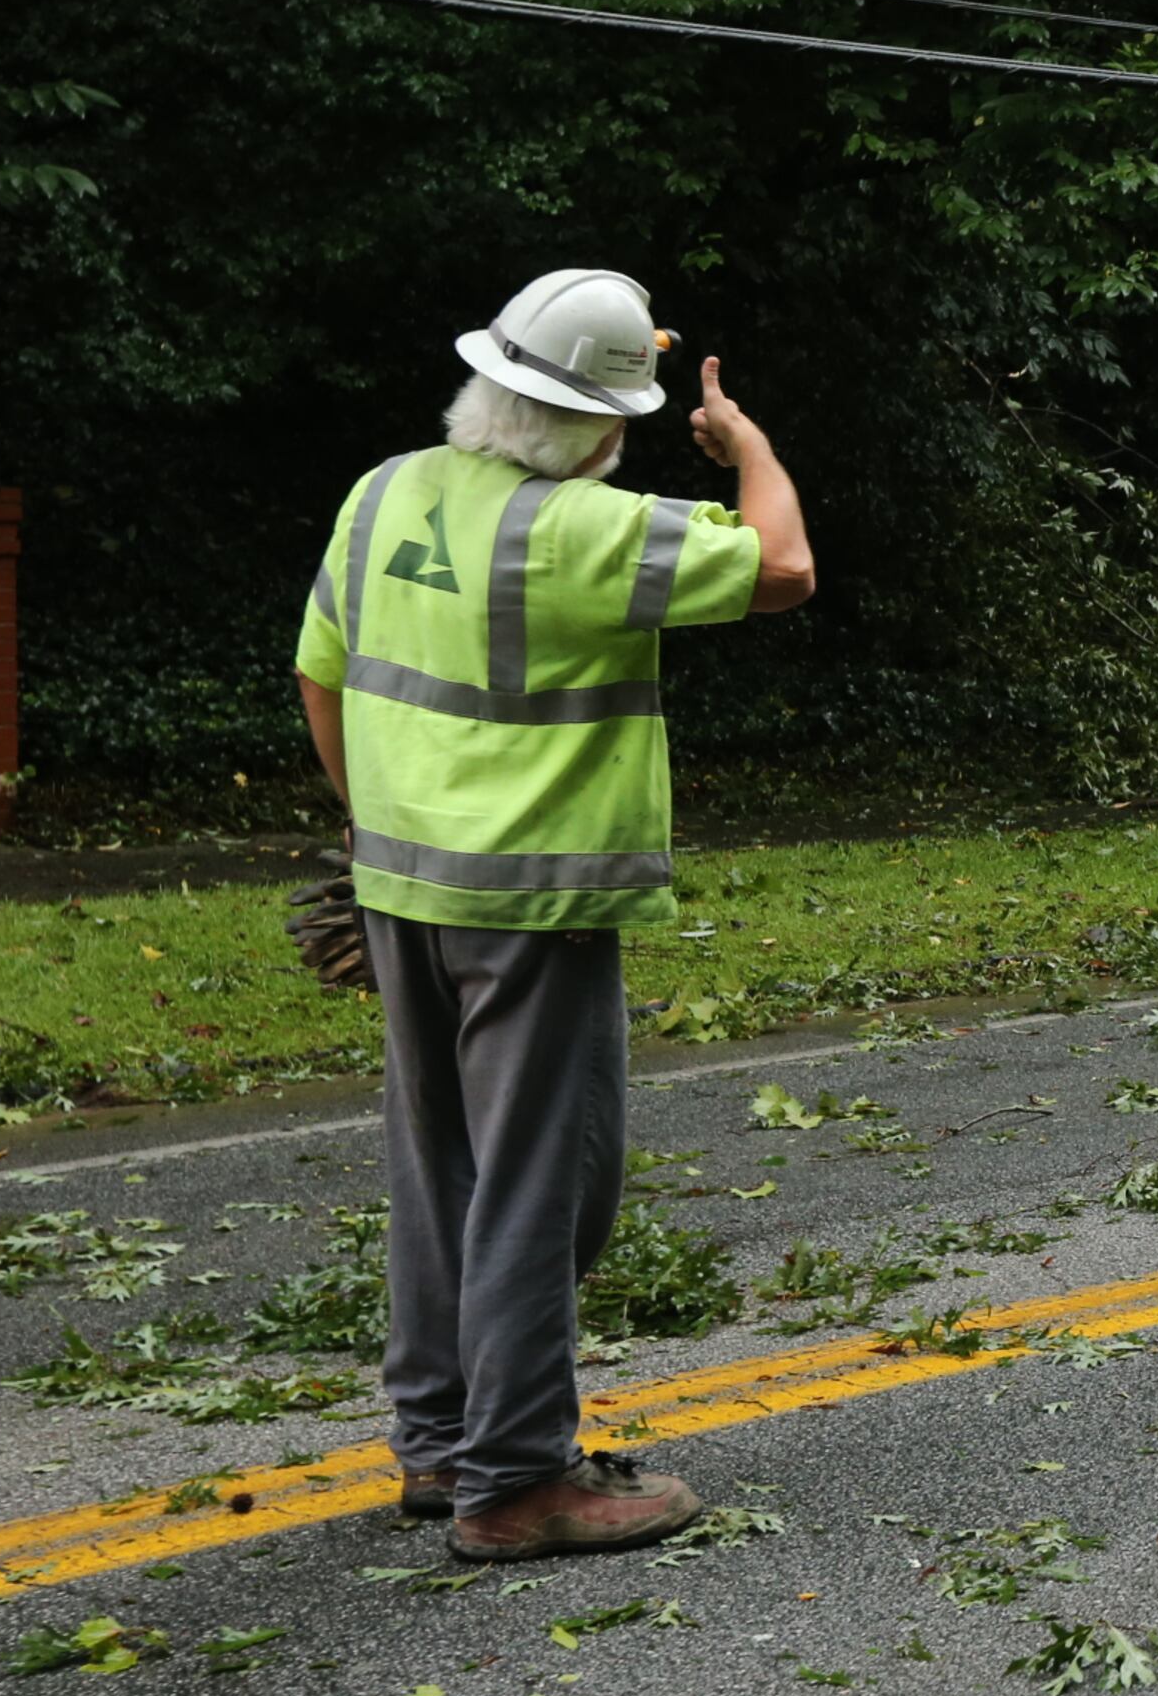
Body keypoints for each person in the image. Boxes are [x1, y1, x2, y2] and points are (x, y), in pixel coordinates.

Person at [292, 268, 815, 1561]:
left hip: (400, 893)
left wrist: (374, 834)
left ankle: (439, 1443)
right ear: (598, 427)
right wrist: (744, 444)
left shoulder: (383, 493)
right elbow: (785, 565)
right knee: (544, 1183)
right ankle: (518, 1478)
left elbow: (320, 675)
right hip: (531, 911)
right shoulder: (580, 531)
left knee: (440, 1169)